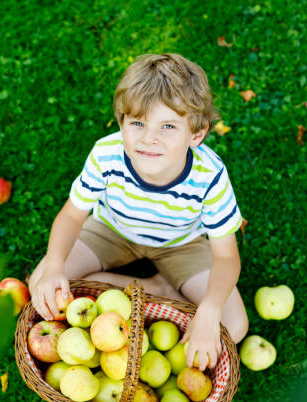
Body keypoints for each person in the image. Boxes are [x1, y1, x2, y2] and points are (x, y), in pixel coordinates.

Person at [28, 53, 248, 371]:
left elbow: (226, 256)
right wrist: (55, 267)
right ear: (122, 124)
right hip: (112, 231)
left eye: (168, 126)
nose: (148, 139)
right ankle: (156, 290)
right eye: (137, 123)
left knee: (234, 325)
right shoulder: (107, 155)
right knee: (42, 285)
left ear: (196, 135)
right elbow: (72, 216)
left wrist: (210, 311)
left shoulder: (209, 176)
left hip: (180, 244)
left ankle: (158, 287)